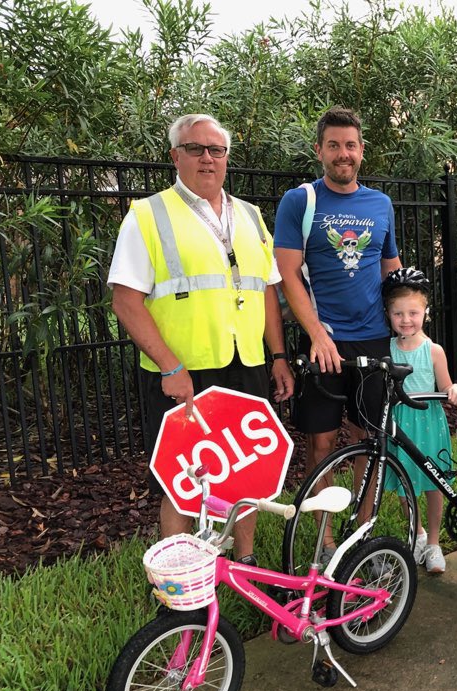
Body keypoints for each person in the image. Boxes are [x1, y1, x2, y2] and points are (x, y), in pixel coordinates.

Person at [108, 113, 294, 566]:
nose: (207, 158)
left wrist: (279, 356)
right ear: (175, 156)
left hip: (245, 363)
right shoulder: (147, 216)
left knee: (246, 470)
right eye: (195, 149)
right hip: (183, 372)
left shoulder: (249, 215)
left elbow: (266, 290)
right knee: (183, 479)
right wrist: (171, 368)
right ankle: (179, 578)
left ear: (227, 157)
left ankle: (244, 562)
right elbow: (126, 301)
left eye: (217, 150)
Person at [274, 106, 401, 556]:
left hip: (373, 339)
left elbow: (391, 268)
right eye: (334, 146)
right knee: (322, 441)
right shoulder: (300, 201)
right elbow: (287, 274)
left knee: (369, 437)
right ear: (319, 151)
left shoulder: (380, 204)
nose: (343, 154)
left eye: (350, 145)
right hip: (323, 339)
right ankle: (326, 539)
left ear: (362, 151)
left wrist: (404, 327)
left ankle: (361, 533)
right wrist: (318, 336)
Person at [381, 267, 457, 574]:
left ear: (425, 312)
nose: (406, 320)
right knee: (406, 484)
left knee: (433, 484)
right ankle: (415, 533)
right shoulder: (387, 350)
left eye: (413, 313)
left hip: (428, 422)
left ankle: (433, 542)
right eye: (398, 313)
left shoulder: (434, 351)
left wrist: (454, 390)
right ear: (388, 314)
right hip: (401, 423)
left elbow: (446, 385)